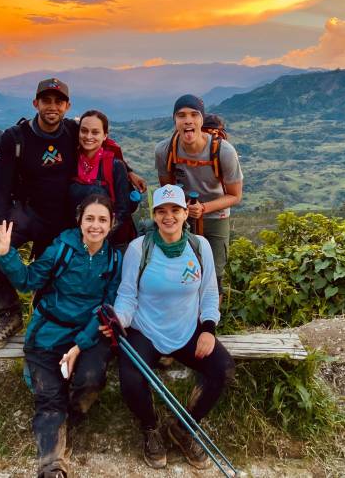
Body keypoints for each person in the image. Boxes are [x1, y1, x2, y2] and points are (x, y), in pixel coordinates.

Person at [0, 78, 144, 351]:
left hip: (64, 220)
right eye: (47, 101)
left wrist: (127, 171)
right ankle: (8, 316)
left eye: (59, 101)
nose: (52, 106)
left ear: (67, 106)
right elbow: (0, 186)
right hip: (29, 212)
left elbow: (103, 147)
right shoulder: (15, 138)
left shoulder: (72, 130)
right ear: (36, 103)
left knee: (50, 281)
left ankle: (53, 329)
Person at [0, 194, 122, 478]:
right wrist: (6, 254)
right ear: (79, 221)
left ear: (111, 224)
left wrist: (79, 346)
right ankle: (52, 466)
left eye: (102, 220)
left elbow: (104, 309)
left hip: (86, 335)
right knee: (49, 398)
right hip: (47, 334)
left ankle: (67, 418)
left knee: (90, 380)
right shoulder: (61, 248)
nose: (95, 226)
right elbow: (27, 281)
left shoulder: (113, 260)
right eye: (90, 219)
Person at [104, 184, 235, 470]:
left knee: (222, 369)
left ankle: (184, 428)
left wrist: (208, 329)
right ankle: (150, 429)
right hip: (145, 330)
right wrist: (119, 320)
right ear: (153, 215)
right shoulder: (140, 249)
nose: (169, 217)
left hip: (187, 330)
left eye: (175, 210)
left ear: (186, 213)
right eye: (161, 211)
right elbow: (127, 295)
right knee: (131, 378)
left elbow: (210, 293)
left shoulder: (200, 247)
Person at [155, 94, 243, 298]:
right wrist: (183, 209)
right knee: (182, 272)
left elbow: (235, 195)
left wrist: (203, 208)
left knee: (214, 277)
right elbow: (168, 192)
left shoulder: (224, 151)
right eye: (181, 115)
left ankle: (210, 326)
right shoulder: (165, 151)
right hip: (181, 217)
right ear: (174, 120)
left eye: (194, 114)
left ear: (201, 120)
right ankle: (186, 322)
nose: (188, 120)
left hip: (216, 217)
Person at [69, 110, 137, 248]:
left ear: (105, 135)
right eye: (84, 131)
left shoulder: (115, 166)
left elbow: (123, 211)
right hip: (76, 242)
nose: (88, 136)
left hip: (111, 243)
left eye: (95, 132)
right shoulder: (70, 162)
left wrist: (97, 238)